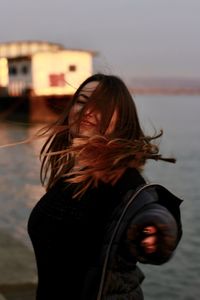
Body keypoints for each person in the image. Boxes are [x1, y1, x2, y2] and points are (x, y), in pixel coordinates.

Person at [28, 73, 183, 300]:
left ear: (122, 121)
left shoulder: (123, 180)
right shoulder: (69, 176)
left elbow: (151, 209)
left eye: (102, 105)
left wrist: (158, 227)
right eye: (82, 101)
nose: (88, 110)